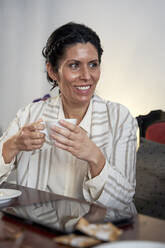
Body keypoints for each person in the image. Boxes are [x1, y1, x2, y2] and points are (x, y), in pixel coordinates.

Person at [0, 22, 137, 218]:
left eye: (93, 64)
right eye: (74, 65)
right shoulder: (29, 114)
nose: (87, 76)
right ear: (53, 71)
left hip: (101, 231)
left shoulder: (120, 118)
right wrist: (11, 146)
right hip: (40, 227)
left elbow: (124, 199)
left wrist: (95, 157)